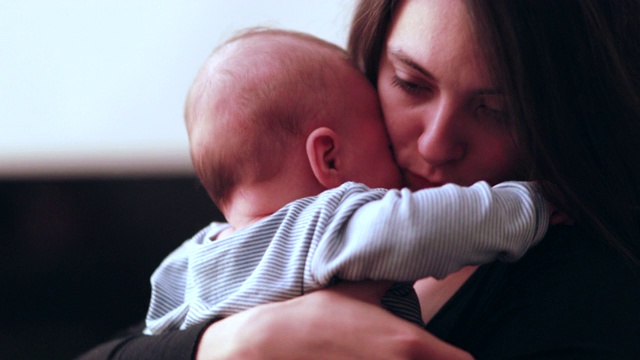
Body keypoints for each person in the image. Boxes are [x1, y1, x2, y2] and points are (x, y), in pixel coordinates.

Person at [76, 0, 640, 359]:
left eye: (497, 109)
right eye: (410, 84)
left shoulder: (581, 294)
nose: (437, 144)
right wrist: (233, 346)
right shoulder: (332, 224)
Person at [144, 28, 550, 335]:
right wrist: (533, 204)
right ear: (330, 158)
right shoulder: (318, 228)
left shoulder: (183, 265)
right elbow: (416, 229)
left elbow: (151, 339)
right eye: (385, 148)